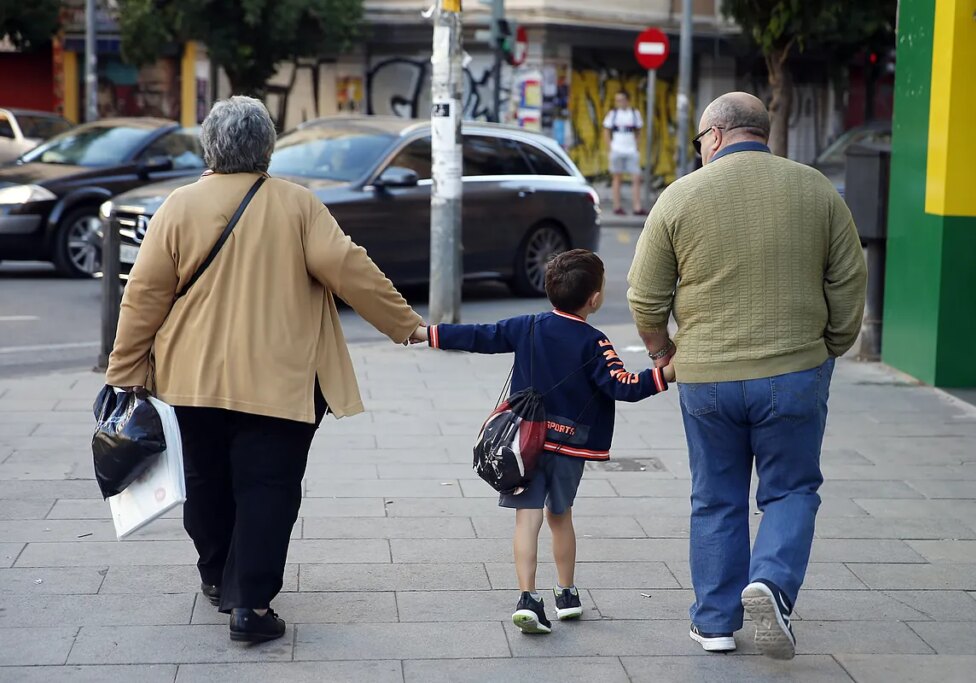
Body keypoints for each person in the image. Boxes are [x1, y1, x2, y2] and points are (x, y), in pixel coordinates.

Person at [105, 96, 423, 643]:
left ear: (210, 145)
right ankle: (249, 605)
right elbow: (350, 268)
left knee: (204, 482)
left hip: (191, 380)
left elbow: (143, 297)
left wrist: (123, 372)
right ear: (267, 149)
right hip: (281, 383)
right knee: (268, 488)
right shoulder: (299, 206)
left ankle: (215, 576)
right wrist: (406, 325)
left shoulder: (177, 207)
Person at [627, 92, 867, 659]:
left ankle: (714, 622)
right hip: (794, 369)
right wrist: (829, 346)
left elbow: (645, 296)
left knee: (716, 496)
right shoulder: (816, 190)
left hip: (707, 377)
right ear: (763, 132)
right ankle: (772, 586)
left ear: (713, 136)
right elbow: (849, 283)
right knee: (791, 489)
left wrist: (663, 352)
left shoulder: (680, 196)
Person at [413, 249, 675, 634]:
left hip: (524, 446)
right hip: (571, 447)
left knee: (527, 518)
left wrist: (426, 333)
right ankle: (566, 594)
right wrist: (667, 373)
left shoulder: (529, 326)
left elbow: (479, 335)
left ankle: (527, 599)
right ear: (595, 298)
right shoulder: (595, 343)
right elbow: (622, 387)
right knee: (560, 515)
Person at [603, 91, 645, 216]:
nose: (619, 102)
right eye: (617, 100)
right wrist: (610, 147)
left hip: (631, 150)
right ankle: (617, 206)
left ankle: (637, 207)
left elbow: (638, 131)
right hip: (617, 150)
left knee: (636, 178)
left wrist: (636, 146)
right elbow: (606, 131)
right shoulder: (613, 114)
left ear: (627, 100)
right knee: (617, 178)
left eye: (621, 99)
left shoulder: (634, 114)